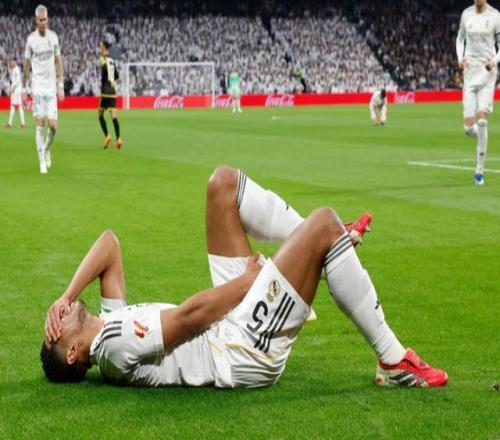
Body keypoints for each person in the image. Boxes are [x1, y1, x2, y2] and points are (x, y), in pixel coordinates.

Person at [41, 166, 447, 389]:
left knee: (222, 185)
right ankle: (392, 359)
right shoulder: (112, 348)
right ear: (72, 353)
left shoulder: (109, 321)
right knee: (324, 222)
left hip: (226, 324)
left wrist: (66, 295)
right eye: (56, 330)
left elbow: (109, 245)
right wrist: (247, 283)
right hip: (240, 349)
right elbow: (189, 318)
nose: (57, 318)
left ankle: (329, 248)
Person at [456, 0, 500, 186]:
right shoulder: (466, 14)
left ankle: (479, 170)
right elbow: (460, 39)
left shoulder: (495, 16)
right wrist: (460, 58)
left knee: (482, 120)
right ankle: (482, 136)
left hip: (487, 73)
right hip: (470, 73)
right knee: (468, 129)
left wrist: (494, 61)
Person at [22, 4, 64, 175]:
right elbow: (26, 65)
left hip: (51, 88)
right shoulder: (31, 40)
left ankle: (46, 149)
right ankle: (41, 163)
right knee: (40, 125)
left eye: (45, 19)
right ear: (36, 20)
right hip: (38, 88)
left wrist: (61, 85)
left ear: (47, 19)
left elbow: (58, 62)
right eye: (40, 20)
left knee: (53, 126)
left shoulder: (53, 37)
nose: (43, 22)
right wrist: (24, 88)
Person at [98, 41, 122, 150]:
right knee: (114, 117)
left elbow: (104, 70)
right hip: (112, 92)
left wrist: (103, 81)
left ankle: (107, 136)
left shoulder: (102, 58)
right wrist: (111, 81)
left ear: (104, 47)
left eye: (100, 46)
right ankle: (119, 138)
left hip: (105, 91)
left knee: (100, 115)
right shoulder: (112, 60)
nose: (100, 48)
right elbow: (116, 75)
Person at [4, 58, 26, 129]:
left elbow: (18, 80)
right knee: (16, 106)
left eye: (12, 62)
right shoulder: (14, 70)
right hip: (16, 90)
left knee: (16, 106)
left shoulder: (16, 70)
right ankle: (14, 123)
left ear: (15, 62)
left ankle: (17, 123)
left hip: (16, 90)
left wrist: (12, 87)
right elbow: (14, 80)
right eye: (11, 62)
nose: (11, 63)